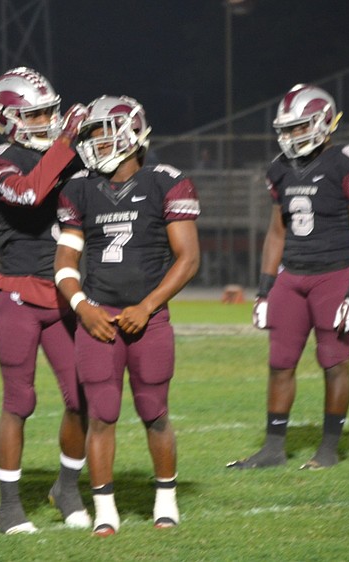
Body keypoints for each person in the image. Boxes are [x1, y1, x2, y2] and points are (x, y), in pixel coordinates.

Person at [54, 95, 200, 535]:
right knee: (101, 414)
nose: (96, 141)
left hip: (148, 318)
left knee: (155, 411)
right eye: (91, 134)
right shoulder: (78, 188)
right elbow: (65, 263)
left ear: (133, 134)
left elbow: (188, 258)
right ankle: (105, 511)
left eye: (104, 132)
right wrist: (82, 307)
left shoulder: (166, 182)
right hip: (98, 316)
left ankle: (166, 500)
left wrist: (148, 305)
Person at [227, 83, 349, 471]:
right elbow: (276, 232)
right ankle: (273, 449)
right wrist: (264, 289)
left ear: (324, 122)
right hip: (291, 278)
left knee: (334, 362)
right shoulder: (278, 169)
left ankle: (328, 449)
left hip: (333, 275)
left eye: (300, 126)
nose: (293, 135)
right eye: (288, 128)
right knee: (279, 363)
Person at [0, 67, 91, 534]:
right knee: (19, 401)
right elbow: (28, 192)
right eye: (36, 114)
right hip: (18, 293)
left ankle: (67, 488)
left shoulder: (69, 154)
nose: (47, 121)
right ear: (7, 118)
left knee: (82, 396)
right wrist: (68, 145)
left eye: (50, 112)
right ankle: (9, 509)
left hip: (64, 292)